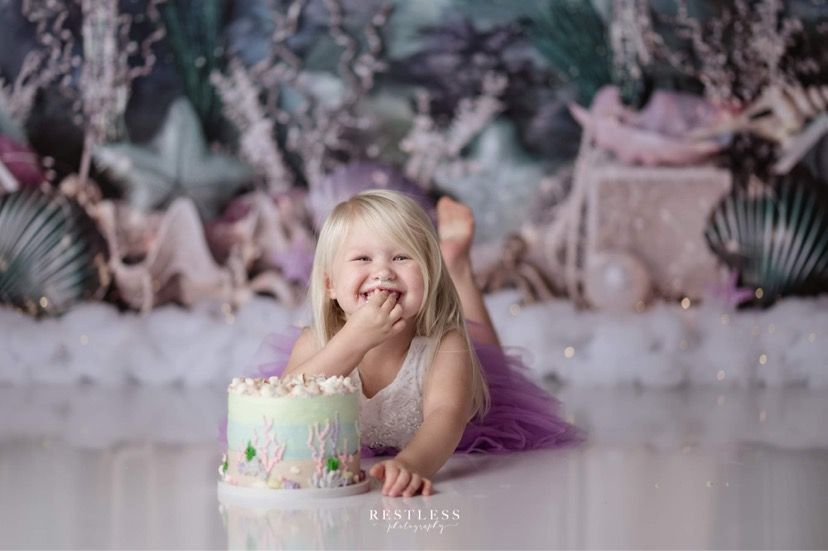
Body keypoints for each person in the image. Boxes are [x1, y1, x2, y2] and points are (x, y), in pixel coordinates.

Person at [270, 190, 581, 498]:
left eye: (402, 257)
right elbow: (280, 404)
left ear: (431, 276)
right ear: (330, 285)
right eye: (363, 258)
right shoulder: (316, 341)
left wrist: (412, 463)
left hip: (458, 418)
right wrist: (354, 339)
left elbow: (446, 415)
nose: (382, 271)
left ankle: (457, 269)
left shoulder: (444, 345)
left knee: (491, 365)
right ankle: (453, 265)